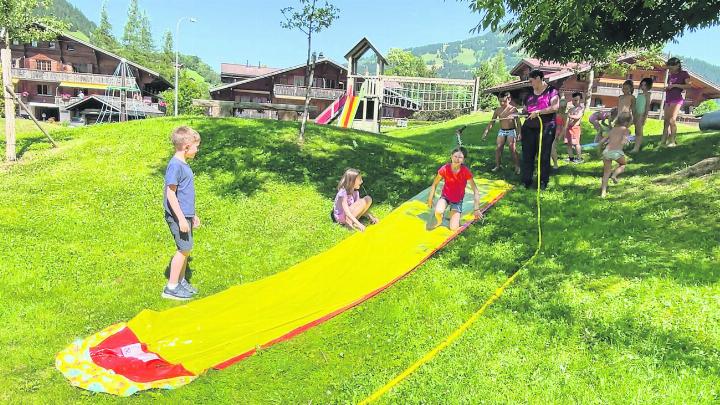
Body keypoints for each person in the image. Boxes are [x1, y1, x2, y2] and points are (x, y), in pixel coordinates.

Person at [162, 126, 202, 300]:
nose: (197, 149)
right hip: (177, 216)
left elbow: (185, 194)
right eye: (196, 146)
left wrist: (192, 215)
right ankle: (171, 287)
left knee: (186, 248)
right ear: (186, 147)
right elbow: (171, 194)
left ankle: (181, 280)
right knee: (183, 249)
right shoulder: (175, 166)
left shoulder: (183, 164)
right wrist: (181, 219)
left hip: (185, 215)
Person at [520, 69, 559, 190]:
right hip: (529, 127)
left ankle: (543, 181)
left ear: (538, 78)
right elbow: (526, 109)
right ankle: (526, 180)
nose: (530, 83)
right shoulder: (529, 93)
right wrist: (522, 113)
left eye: (532, 81)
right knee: (527, 154)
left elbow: (555, 107)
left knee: (543, 155)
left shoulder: (551, 91)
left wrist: (539, 112)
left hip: (546, 127)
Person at [427, 147, 481, 231]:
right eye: (455, 156)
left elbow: (475, 191)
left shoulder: (465, 171)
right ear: (451, 156)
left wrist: (476, 208)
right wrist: (430, 198)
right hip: (445, 197)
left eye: (460, 157)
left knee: (453, 228)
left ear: (463, 160)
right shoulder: (444, 169)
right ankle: (439, 220)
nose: (457, 159)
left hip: (457, 201)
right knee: (438, 211)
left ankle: (455, 217)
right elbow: (434, 184)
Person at [482, 92, 522, 174]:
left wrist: (519, 133)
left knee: (512, 148)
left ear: (509, 99)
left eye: (504, 101)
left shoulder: (513, 109)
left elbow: (518, 123)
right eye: (500, 101)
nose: (502, 103)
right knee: (498, 148)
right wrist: (486, 131)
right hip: (502, 131)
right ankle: (498, 165)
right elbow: (492, 122)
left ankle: (517, 166)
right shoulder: (498, 110)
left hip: (511, 130)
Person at [662, 57, 693, 147]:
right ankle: (663, 141)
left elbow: (688, 86)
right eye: (669, 67)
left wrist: (675, 85)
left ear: (678, 65)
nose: (670, 69)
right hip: (668, 98)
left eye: (672, 66)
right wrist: (667, 88)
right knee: (666, 121)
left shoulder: (684, 74)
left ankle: (672, 141)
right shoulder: (670, 75)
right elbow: (670, 86)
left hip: (677, 99)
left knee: (672, 120)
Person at [600, 113, 631, 198]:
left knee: (606, 173)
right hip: (616, 152)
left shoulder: (612, 130)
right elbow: (624, 139)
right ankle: (614, 175)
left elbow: (602, 141)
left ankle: (603, 192)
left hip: (606, 151)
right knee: (623, 164)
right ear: (627, 122)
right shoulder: (626, 130)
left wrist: (599, 150)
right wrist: (625, 141)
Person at [631, 78, 653, 153]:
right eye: (642, 84)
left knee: (639, 131)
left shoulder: (648, 95)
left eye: (645, 85)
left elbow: (647, 106)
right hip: (636, 114)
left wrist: (645, 117)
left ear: (648, 86)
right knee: (636, 130)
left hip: (641, 114)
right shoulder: (639, 94)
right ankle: (635, 146)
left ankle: (636, 148)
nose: (643, 86)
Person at [565, 92, 586, 163]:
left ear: (581, 100)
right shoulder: (571, 109)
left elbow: (577, 117)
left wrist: (569, 115)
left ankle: (579, 158)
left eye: (576, 100)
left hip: (575, 128)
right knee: (569, 143)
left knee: (576, 143)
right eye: (573, 100)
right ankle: (571, 157)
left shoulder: (580, 109)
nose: (574, 102)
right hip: (569, 128)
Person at [552, 97, 568, 168]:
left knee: (552, 148)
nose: (562, 108)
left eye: (564, 106)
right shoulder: (554, 112)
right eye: (561, 106)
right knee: (548, 147)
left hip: (557, 133)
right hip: (550, 130)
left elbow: (565, 127)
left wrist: (560, 136)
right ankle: (547, 162)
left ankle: (555, 164)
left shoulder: (564, 115)